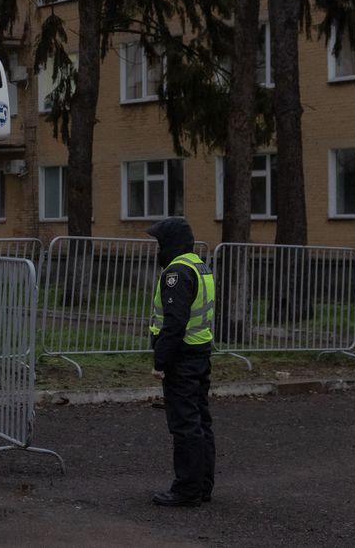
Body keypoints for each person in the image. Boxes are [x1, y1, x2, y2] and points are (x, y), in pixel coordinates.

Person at [147, 217, 215, 507]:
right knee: (200, 422)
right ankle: (202, 486)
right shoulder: (199, 266)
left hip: (182, 358)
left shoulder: (177, 272)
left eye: (160, 243)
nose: (158, 249)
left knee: (185, 425)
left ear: (170, 243)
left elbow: (174, 324)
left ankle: (187, 490)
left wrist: (160, 360)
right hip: (199, 354)